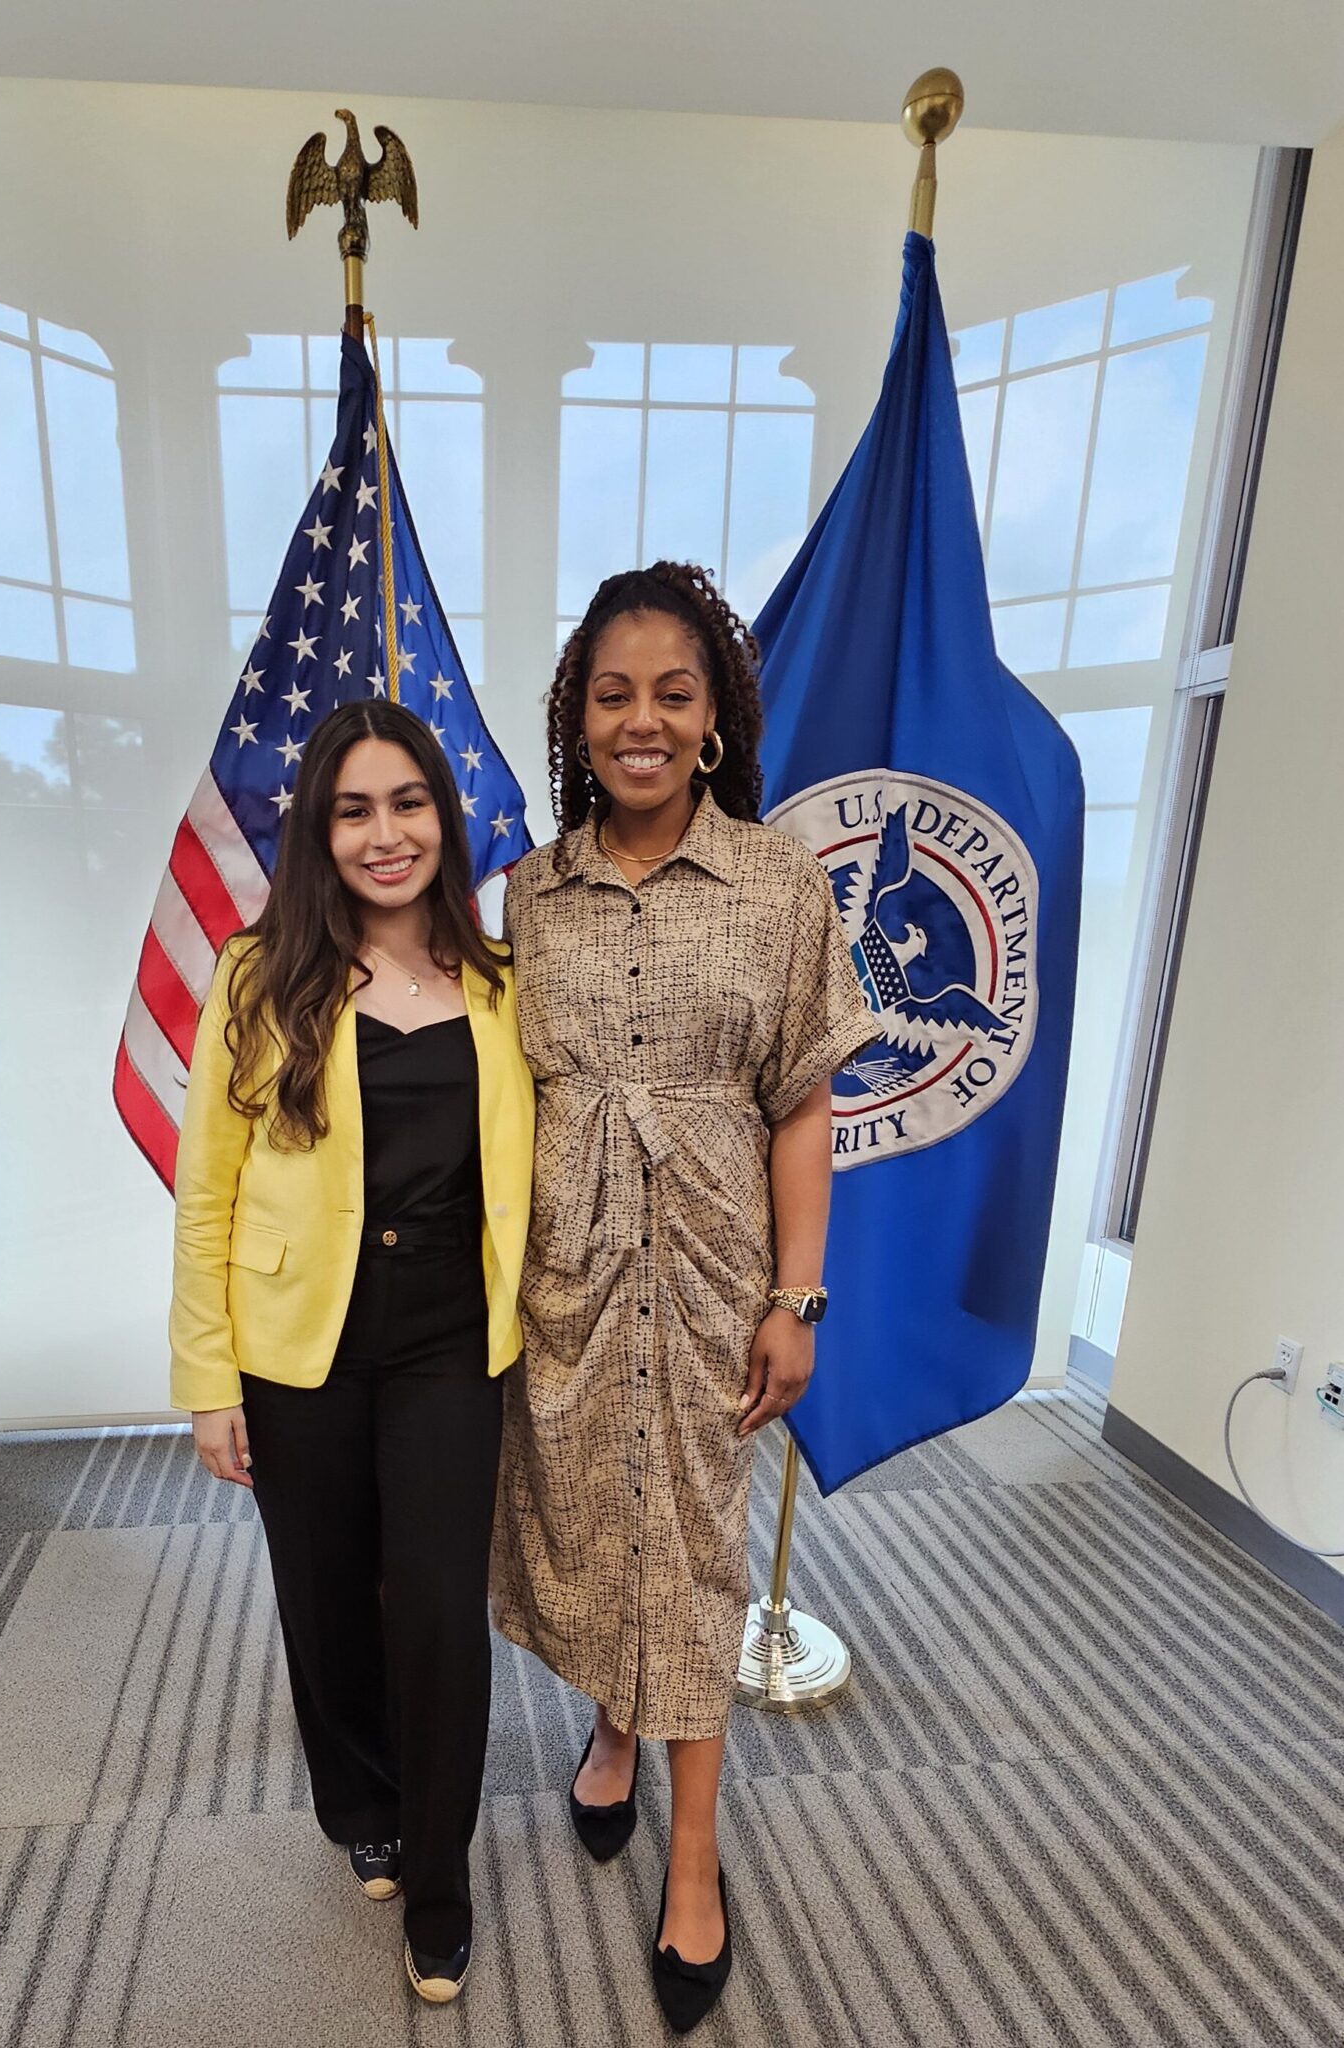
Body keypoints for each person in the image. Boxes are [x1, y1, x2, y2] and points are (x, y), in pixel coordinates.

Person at [491, 562, 878, 2032]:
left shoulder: (782, 883)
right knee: (596, 1519)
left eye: (672, 693)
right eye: (612, 695)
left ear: (714, 717)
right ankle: (607, 1722)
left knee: (699, 1544)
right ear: (576, 718)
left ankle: (697, 1858)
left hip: (719, 1275)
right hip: (567, 1276)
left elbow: (800, 1103)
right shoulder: (531, 891)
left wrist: (799, 1296)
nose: (640, 721)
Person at [170, 699, 533, 2005]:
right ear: (321, 831)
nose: (388, 834)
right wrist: (210, 1377)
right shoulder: (255, 978)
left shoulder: (498, 985)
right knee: (326, 1605)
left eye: (410, 802)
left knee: (437, 1614)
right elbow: (208, 1190)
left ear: (446, 814)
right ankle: (365, 1804)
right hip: (296, 1345)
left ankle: (439, 1883)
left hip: (451, 1345)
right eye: (355, 809)